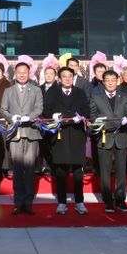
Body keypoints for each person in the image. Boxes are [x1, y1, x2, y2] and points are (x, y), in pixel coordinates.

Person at [43, 67, 91, 215]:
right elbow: (45, 110)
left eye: (70, 76)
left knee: (78, 171)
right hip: (60, 135)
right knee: (60, 170)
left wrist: (80, 116)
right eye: (64, 76)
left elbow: (87, 109)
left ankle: (79, 201)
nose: (67, 79)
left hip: (77, 133)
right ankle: (62, 202)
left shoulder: (80, 92)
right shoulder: (52, 92)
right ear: (59, 78)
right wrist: (53, 115)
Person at [0, 62, 43, 215]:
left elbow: (39, 108)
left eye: (25, 72)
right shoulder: (8, 91)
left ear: (29, 73)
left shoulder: (36, 90)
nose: (22, 75)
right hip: (15, 134)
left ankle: (28, 202)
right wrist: (11, 117)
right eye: (19, 72)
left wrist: (29, 117)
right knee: (17, 170)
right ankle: (18, 202)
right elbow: (3, 109)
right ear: (15, 74)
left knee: (30, 169)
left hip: (31, 132)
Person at [90, 70, 127, 213]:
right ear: (103, 82)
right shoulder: (96, 97)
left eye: (113, 80)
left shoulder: (124, 96)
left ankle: (120, 200)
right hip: (104, 138)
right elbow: (92, 116)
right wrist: (99, 121)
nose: (110, 83)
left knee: (121, 171)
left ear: (118, 81)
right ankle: (108, 201)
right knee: (105, 171)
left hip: (121, 137)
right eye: (107, 80)